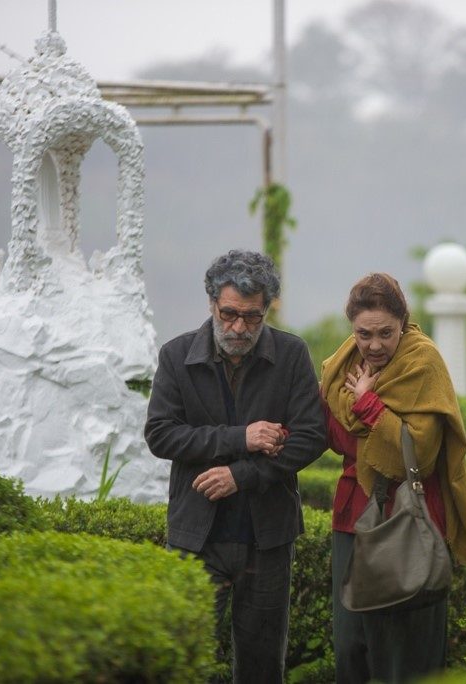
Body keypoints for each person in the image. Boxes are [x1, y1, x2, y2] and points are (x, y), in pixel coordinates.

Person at [145, 249, 327, 683]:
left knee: (263, 668)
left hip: (267, 540)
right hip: (195, 536)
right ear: (211, 303)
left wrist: (240, 476)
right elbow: (160, 434)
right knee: (184, 660)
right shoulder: (175, 356)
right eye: (228, 314)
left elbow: (311, 437)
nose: (238, 327)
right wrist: (240, 437)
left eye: (251, 317)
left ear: (267, 310)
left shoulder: (291, 354)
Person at [320, 272, 466, 684]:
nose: (374, 345)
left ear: (403, 324)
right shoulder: (343, 365)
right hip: (353, 518)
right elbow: (332, 433)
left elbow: (421, 452)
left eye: (386, 333)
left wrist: (368, 404)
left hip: (408, 516)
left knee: (407, 652)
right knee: (351, 647)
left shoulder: (423, 363)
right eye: (364, 334)